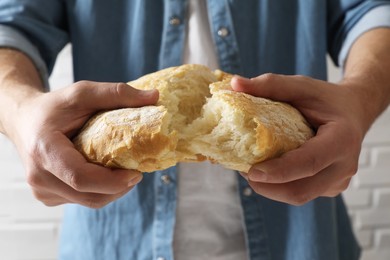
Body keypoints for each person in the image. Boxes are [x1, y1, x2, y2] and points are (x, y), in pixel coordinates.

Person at [1, 0, 390, 259]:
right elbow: (11, 25)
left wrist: (358, 99)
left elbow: (373, 11)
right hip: (113, 243)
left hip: (300, 241)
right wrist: (21, 113)